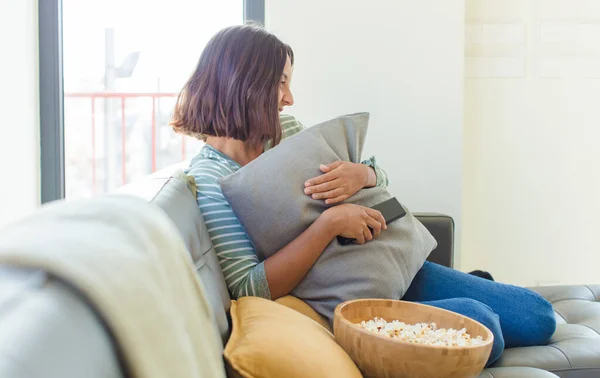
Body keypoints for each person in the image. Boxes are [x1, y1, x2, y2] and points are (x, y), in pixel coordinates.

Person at [172, 25, 555, 366]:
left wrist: (364, 174)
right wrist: (330, 223)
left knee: (538, 317)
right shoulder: (210, 180)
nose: (289, 98)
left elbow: (379, 179)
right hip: (342, 298)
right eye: (281, 82)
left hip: (386, 261)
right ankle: (441, 304)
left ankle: (451, 294)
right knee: (485, 323)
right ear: (245, 82)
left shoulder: (284, 130)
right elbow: (250, 287)